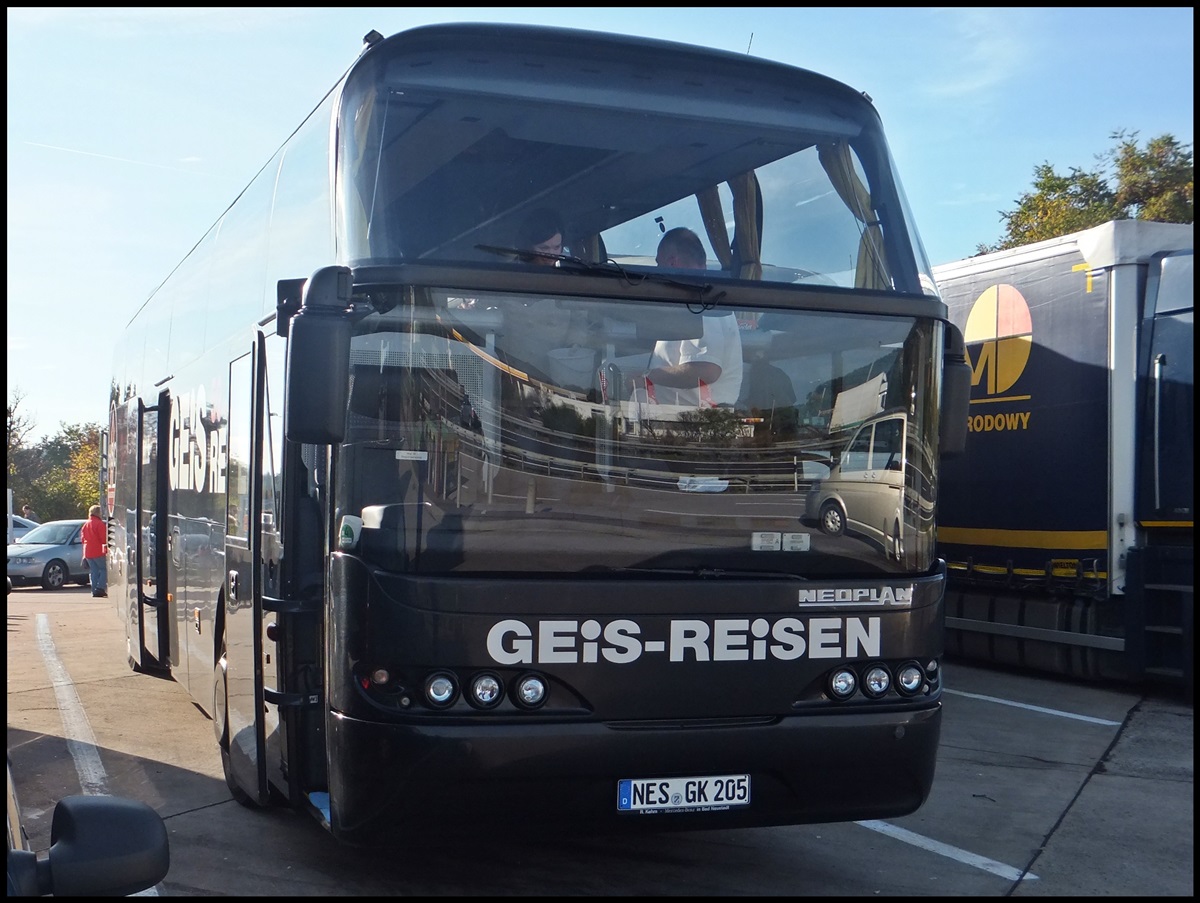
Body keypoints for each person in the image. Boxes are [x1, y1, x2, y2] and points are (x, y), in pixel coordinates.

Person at [630, 227, 743, 407]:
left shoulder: (705, 304)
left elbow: (706, 370)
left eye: (659, 264)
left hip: (696, 425)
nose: (657, 271)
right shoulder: (694, 301)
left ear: (672, 263)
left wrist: (645, 377)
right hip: (684, 421)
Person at [81, 504, 107, 598]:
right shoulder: (99, 524)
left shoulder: (86, 524)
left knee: (93, 571)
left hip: (88, 551)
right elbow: (104, 539)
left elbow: (83, 539)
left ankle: (94, 589)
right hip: (98, 550)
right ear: (98, 513)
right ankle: (100, 588)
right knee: (104, 569)